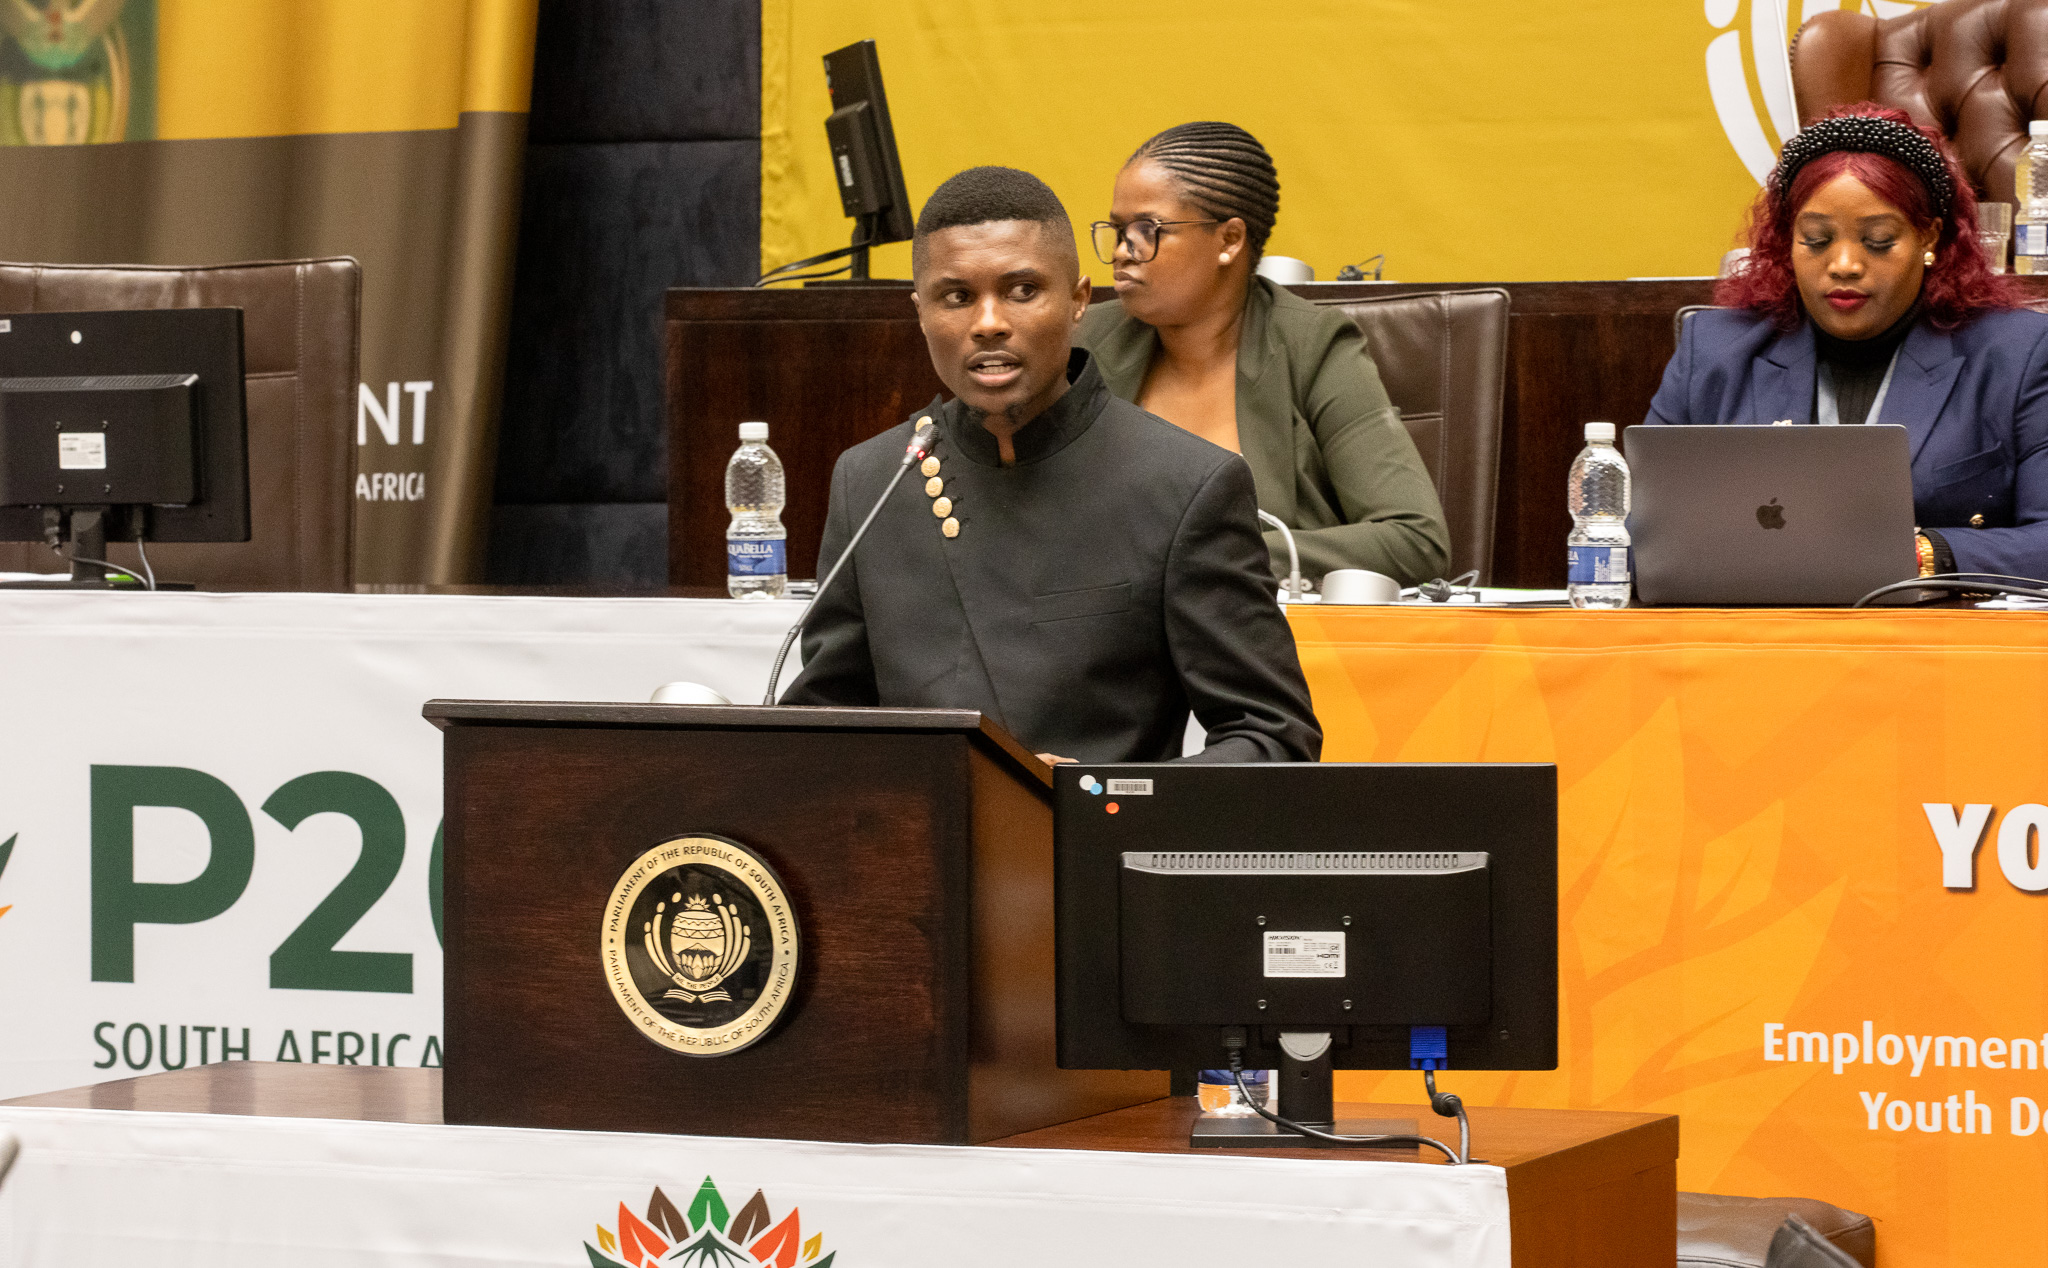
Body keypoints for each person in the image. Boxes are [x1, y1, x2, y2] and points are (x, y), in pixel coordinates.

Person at [779, 165, 1321, 766]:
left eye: (1021, 291)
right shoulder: (872, 480)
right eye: (956, 297)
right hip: (919, 827)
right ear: (921, 312)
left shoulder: (1185, 483)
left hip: (1099, 826)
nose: (988, 323)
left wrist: (1095, 795)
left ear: (1078, 300)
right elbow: (825, 730)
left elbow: (1272, 737)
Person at [1647, 104, 2048, 580]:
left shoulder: (2017, 354)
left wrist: (1921, 553)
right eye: (1816, 240)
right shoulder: (1713, 352)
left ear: (1929, 237)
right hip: (1752, 620)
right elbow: (1631, 538)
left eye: (1878, 240)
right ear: (1787, 241)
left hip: (1936, 623)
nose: (1844, 265)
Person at [1076, 122, 1450, 588]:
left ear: (1229, 240)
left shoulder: (1312, 346)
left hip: (1264, 625)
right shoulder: (1084, 343)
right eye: (1117, 231)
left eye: (1147, 230)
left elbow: (1415, 539)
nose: (1121, 252)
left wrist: (1204, 555)